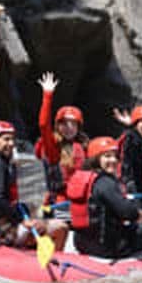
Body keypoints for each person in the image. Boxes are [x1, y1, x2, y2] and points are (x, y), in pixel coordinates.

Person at [0, 120, 68, 249]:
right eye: (5, 139)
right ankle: (54, 263)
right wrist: (21, 219)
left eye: (12, 140)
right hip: (0, 230)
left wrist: (18, 209)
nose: (11, 144)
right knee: (61, 227)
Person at [67, 137, 142, 258]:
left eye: (115, 156)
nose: (113, 160)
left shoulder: (83, 177)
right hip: (107, 247)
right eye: (107, 156)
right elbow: (127, 212)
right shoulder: (105, 182)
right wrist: (141, 215)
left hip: (81, 244)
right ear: (96, 159)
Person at [34, 72, 88, 214]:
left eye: (73, 124)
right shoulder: (53, 148)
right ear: (57, 126)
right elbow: (43, 124)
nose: (69, 128)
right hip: (60, 202)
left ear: (78, 127)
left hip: (82, 200)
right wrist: (47, 95)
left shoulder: (84, 146)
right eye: (64, 124)